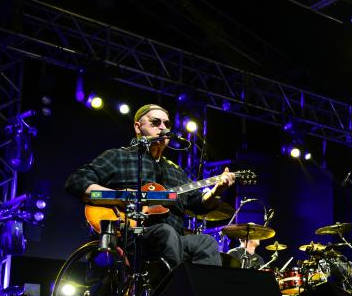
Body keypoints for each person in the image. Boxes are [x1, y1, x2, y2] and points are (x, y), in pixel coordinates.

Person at [65, 104, 235, 268]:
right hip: (129, 236)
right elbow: (76, 182)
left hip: (174, 241)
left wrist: (217, 190)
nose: (163, 128)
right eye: (156, 122)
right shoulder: (118, 157)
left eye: (167, 124)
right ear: (138, 127)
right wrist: (119, 197)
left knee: (206, 242)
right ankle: (173, 292)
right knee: (165, 232)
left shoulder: (176, 171)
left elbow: (199, 204)